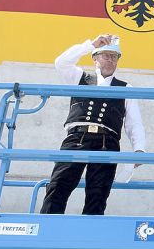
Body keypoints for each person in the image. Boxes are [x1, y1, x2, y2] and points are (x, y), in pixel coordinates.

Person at [40, 34, 146, 215]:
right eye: (106, 55)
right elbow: (61, 62)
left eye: (114, 57)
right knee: (59, 185)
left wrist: (139, 149)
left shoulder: (126, 88)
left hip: (107, 142)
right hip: (76, 138)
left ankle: (88, 237)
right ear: (95, 58)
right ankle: (47, 230)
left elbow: (134, 122)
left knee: (98, 194)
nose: (111, 60)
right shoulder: (79, 78)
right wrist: (90, 44)